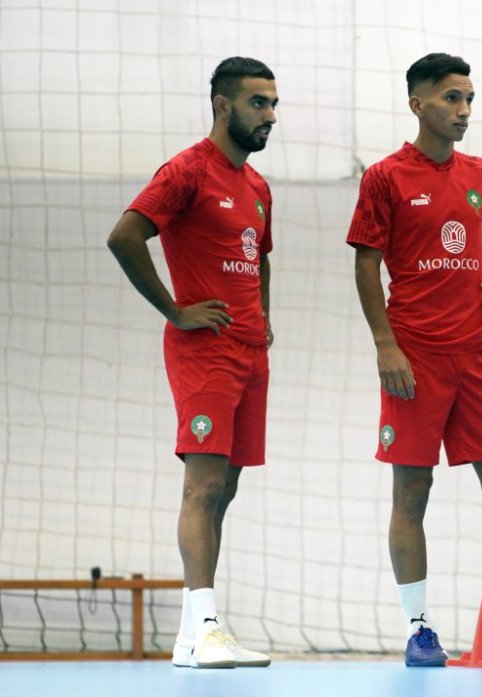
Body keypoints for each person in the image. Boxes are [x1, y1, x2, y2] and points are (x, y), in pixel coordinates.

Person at [346, 52, 482, 668]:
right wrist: (385, 344)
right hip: (413, 356)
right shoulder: (385, 177)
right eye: (451, 98)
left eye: (469, 98)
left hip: (477, 354)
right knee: (412, 491)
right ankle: (419, 629)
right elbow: (365, 263)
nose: (463, 110)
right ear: (418, 104)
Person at [107, 56, 278, 669]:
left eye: (274, 104)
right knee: (203, 486)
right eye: (258, 103)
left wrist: (263, 318)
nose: (270, 115)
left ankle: (191, 632)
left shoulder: (257, 187)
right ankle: (206, 625)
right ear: (223, 105)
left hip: (249, 352)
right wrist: (175, 310)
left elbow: (258, 257)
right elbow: (124, 236)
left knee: (225, 489)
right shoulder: (186, 171)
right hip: (203, 352)